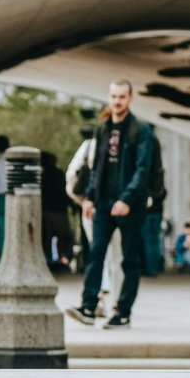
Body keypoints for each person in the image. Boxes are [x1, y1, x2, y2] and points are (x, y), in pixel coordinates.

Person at [66, 80, 154, 330]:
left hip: (129, 204)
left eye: (122, 97)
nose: (117, 101)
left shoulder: (140, 130)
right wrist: (90, 198)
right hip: (104, 202)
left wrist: (126, 199)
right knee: (96, 254)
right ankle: (88, 306)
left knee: (129, 259)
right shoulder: (103, 128)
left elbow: (142, 170)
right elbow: (98, 167)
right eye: (114, 96)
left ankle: (123, 311)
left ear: (130, 98)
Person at [66, 124, 123, 317]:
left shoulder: (90, 145)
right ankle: (115, 302)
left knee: (98, 254)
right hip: (118, 206)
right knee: (117, 258)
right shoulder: (127, 143)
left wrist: (82, 201)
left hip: (94, 207)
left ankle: (99, 300)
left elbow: (71, 175)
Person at [40, 152, 73, 273]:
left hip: (52, 210)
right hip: (56, 210)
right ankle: (60, 258)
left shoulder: (46, 176)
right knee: (62, 236)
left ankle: (57, 259)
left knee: (53, 237)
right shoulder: (54, 174)